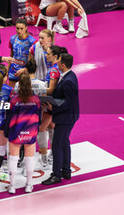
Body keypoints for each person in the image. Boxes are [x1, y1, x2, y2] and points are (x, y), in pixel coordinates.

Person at [42, 53, 79, 185]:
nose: (57, 62)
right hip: (69, 116)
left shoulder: (68, 81)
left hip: (66, 118)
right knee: (64, 142)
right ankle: (66, 171)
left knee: (57, 144)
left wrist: (53, 108)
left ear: (63, 65)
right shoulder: (70, 76)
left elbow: (68, 103)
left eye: (58, 61)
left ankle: (56, 174)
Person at [5, 74, 41, 193]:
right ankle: (29, 185)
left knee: (13, 158)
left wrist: (7, 131)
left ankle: (12, 186)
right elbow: (39, 116)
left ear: (19, 85)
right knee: (29, 158)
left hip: (16, 131)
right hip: (30, 131)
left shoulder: (14, 100)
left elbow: (8, 116)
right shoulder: (36, 99)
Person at [8, 18, 35, 87]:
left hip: (25, 73)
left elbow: (34, 60)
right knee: (12, 94)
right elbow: (11, 55)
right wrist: (7, 71)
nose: (19, 31)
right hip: (13, 71)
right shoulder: (12, 39)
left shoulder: (32, 41)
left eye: (21, 28)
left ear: (26, 28)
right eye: (17, 28)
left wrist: (26, 69)